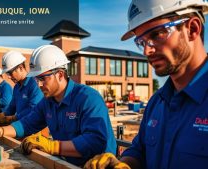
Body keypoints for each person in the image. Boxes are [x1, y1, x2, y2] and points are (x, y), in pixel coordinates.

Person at [84, 0, 208, 169]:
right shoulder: (157, 102)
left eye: (156, 35)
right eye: (141, 41)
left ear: (192, 29)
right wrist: (123, 164)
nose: (146, 51)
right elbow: (139, 151)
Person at [0, 45, 117, 167]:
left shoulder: (88, 98)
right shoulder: (47, 103)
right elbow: (27, 124)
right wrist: (1, 131)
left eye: (42, 79)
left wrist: (53, 146)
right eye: (36, 79)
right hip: (67, 164)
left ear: (59, 74)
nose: (39, 85)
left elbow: (95, 141)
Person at [0, 51, 43, 125]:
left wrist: (11, 118)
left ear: (20, 68)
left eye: (10, 73)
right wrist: (3, 114)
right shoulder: (16, 87)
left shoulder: (34, 84)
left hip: (35, 130)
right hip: (22, 126)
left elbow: (33, 109)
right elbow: (12, 107)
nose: (9, 77)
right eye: (7, 73)